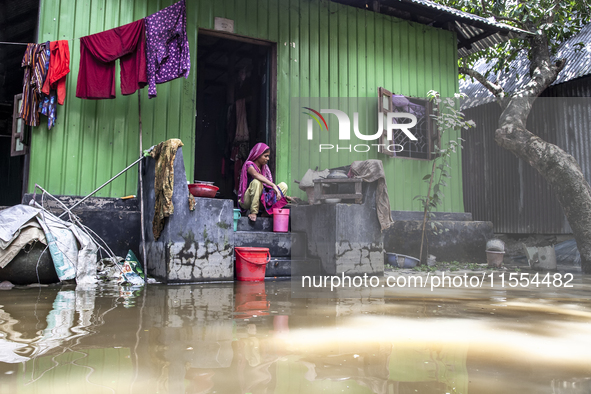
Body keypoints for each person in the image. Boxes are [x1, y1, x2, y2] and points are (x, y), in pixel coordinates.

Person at [238, 143, 290, 222]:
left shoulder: (264, 168)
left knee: (283, 185)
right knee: (257, 182)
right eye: (265, 156)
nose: (268, 159)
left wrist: (283, 196)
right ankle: (253, 212)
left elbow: (267, 189)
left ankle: (267, 212)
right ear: (258, 155)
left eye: (268, 156)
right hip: (247, 201)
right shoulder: (249, 165)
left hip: (262, 200)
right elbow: (256, 175)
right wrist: (273, 185)